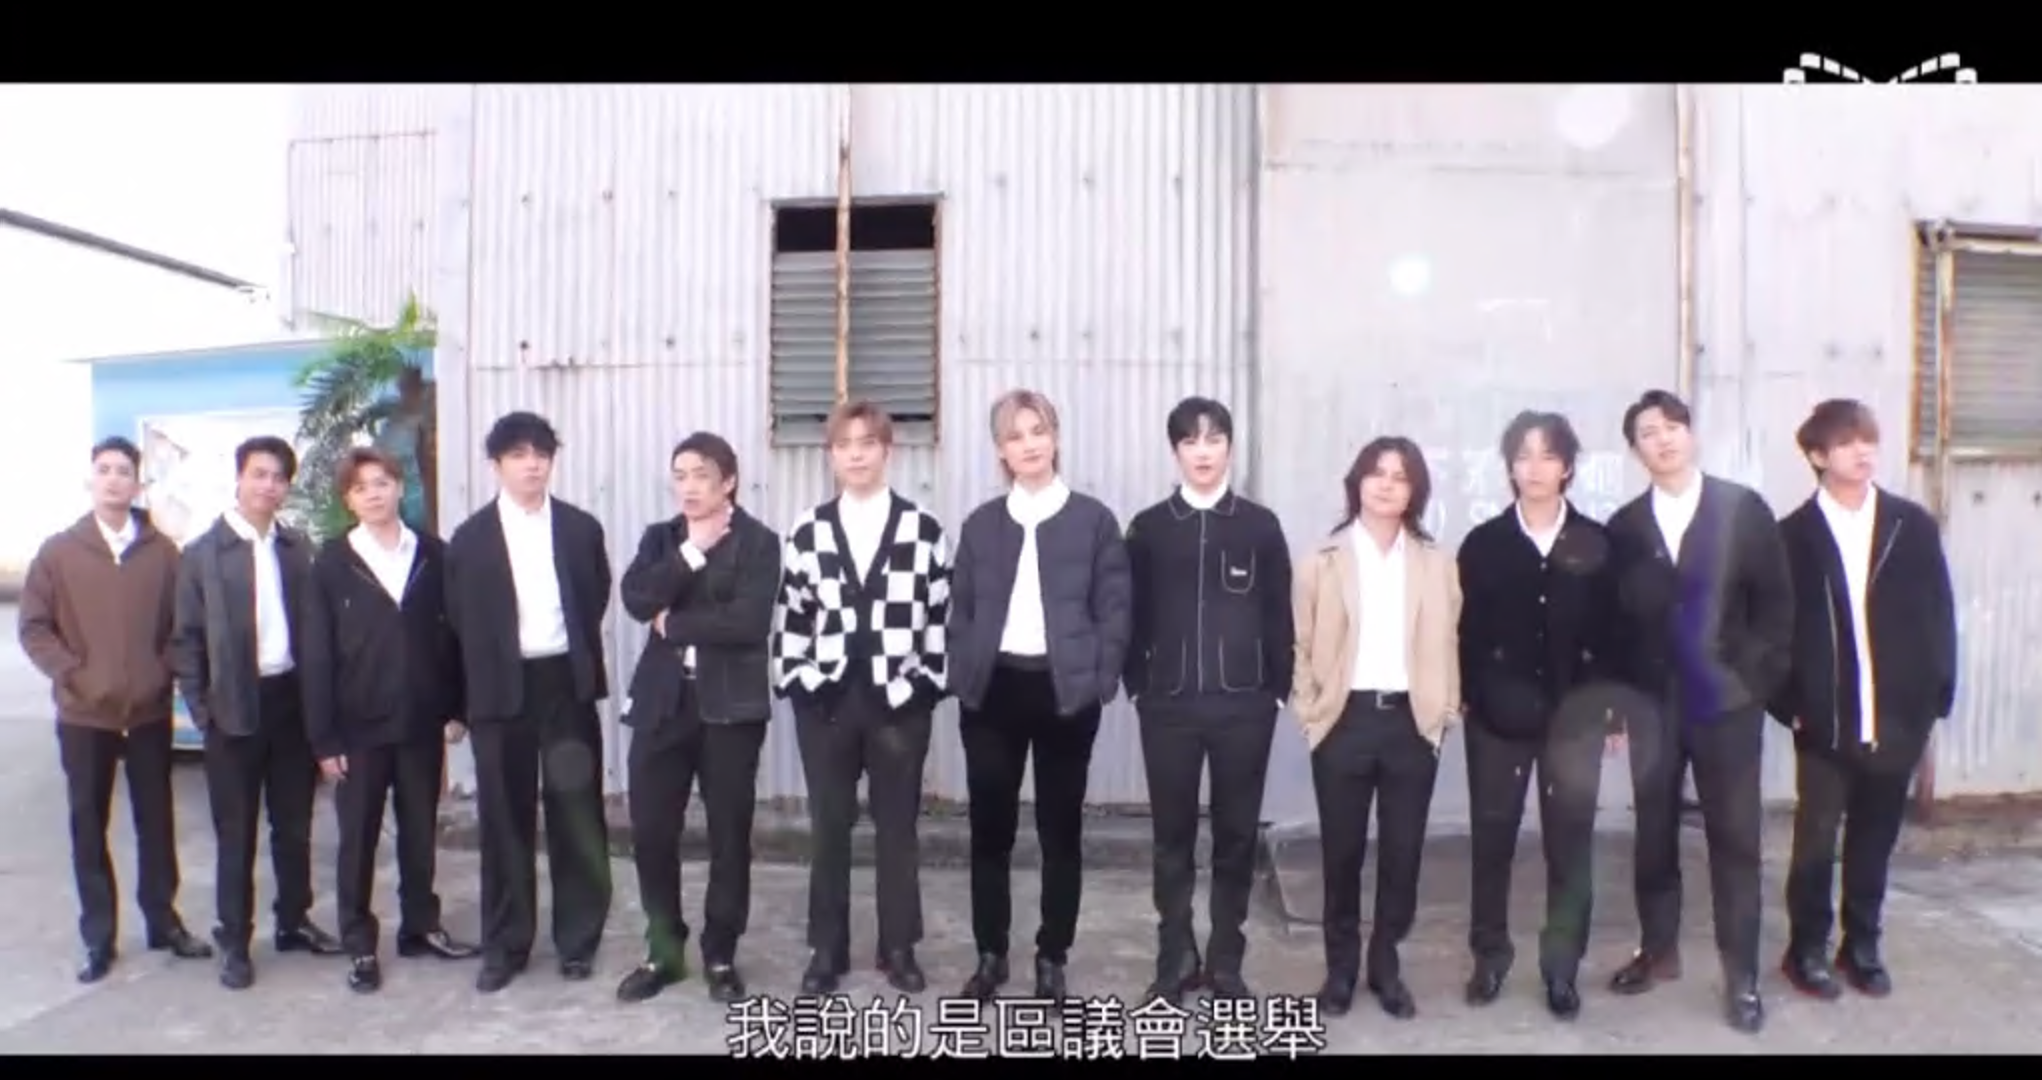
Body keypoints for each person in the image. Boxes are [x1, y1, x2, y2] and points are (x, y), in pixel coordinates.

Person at [1603, 389, 1793, 1034]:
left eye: (1672, 427)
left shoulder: (1742, 509)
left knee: (1735, 840)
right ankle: (1657, 952)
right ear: (1636, 450)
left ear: (1691, 434)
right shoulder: (1626, 527)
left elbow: (1776, 606)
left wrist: (1754, 681)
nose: (1663, 439)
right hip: (1652, 707)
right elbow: (1615, 624)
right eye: (1648, 432)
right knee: (1653, 835)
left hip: (1726, 706)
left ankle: (1742, 976)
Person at [948, 389, 1131, 1002]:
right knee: (990, 832)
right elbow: (961, 610)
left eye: (1038, 430)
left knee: (1060, 832)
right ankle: (990, 953)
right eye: (1015, 435)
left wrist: (1099, 679)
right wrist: (965, 672)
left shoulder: (1093, 521)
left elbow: (1115, 609)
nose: (1028, 444)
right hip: (993, 692)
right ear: (1000, 450)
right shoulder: (982, 525)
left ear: (1055, 438)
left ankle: (1053, 956)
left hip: (1064, 695)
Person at [1771, 399, 1955, 1001]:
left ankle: (1862, 946)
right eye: (1847, 442)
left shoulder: (1910, 525)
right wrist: (1789, 704)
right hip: (1825, 718)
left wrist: (1935, 695)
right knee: (1816, 841)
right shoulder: (1791, 536)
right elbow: (1768, 630)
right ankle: (1805, 951)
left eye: (1868, 440)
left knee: (1875, 838)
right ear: (1818, 455)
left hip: (1897, 715)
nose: (1863, 452)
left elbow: (1938, 612)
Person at [18, 436, 214, 984]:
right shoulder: (59, 552)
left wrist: (160, 672)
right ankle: (99, 936)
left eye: (123, 470)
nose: (113, 479)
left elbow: (181, 626)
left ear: (138, 484)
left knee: (156, 820)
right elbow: (34, 627)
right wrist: (74, 673)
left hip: (148, 711)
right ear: (90, 480)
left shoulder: (162, 553)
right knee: (89, 822)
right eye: (103, 469)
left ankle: (164, 921)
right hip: (84, 715)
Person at [773, 402, 950, 997]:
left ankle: (898, 947)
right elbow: (793, 617)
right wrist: (801, 683)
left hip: (900, 702)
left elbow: (940, 619)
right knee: (829, 827)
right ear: (831, 455)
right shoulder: (809, 530)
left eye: (867, 443)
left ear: (887, 451)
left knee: (897, 829)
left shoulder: (923, 529)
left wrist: (923, 685)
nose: (856, 454)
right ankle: (827, 948)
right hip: (826, 703)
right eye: (844, 444)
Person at [1122, 396, 1292, 1004]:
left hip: (1244, 708)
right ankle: (1174, 958)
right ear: (1175, 451)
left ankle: (1225, 962)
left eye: (1214, 439)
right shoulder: (1149, 527)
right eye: (1190, 440)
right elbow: (1130, 611)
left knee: (1235, 837)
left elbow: (1279, 612)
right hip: (1168, 707)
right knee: (1171, 839)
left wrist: (1276, 691)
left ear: (1229, 447)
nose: (1203, 451)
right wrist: (1137, 685)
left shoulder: (1259, 525)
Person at [1455, 411, 1620, 1020]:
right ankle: (1489, 957)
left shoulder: (1597, 543)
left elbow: (1614, 634)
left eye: (1548, 456)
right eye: (1523, 456)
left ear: (1567, 467)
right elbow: (1466, 631)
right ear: (1509, 467)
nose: (1535, 468)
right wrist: (1472, 694)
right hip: (1497, 723)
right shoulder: (1484, 544)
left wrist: (1611, 713)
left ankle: (1561, 968)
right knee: (1492, 841)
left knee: (1569, 849)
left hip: (1575, 724)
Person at [1292, 435, 1462, 1021]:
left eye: (1400, 476)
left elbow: (1450, 640)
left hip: (1412, 723)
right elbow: (1300, 642)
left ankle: (1385, 965)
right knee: (1340, 853)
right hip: (1344, 720)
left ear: (1415, 491)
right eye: (1377, 473)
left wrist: (1444, 712)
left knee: (1402, 853)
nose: (1387, 484)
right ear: (1357, 482)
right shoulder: (1324, 559)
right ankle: (1340, 969)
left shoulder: (1435, 562)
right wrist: (1311, 712)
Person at [444, 411, 614, 994]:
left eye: (541, 453)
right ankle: (506, 944)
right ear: (496, 464)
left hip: (564, 685)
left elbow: (595, 595)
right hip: (499, 691)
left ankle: (578, 941)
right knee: (504, 820)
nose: (532, 464)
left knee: (576, 813)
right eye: (518, 454)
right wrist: (459, 704)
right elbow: (457, 621)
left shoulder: (580, 529)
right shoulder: (470, 539)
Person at [299, 447, 479, 994]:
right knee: (357, 839)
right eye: (361, 487)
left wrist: (457, 708)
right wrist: (324, 738)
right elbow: (316, 655)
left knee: (419, 831)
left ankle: (420, 927)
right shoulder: (331, 564)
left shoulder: (432, 553)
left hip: (422, 722)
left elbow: (456, 635)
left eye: (382, 482)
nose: (373, 494)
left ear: (400, 487)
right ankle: (359, 943)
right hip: (358, 729)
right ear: (348, 500)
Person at [614, 432, 780, 1005]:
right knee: (651, 832)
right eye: (680, 475)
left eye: (701, 475)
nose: (688, 486)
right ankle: (664, 950)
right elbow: (637, 600)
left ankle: (720, 953)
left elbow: (748, 623)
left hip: (731, 709)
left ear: (728, 481)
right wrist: (691, 553)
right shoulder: (661, 539)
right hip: (662, 704)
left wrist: (674, 625)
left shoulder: (759, 543)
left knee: (729, 834)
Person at [171, 435, 343, 990]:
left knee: (293, 825)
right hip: (233, 710)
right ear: (239, 478)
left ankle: (293, 920)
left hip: (290, 703)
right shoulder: (203, 554)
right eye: (259, 474)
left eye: (278, 477)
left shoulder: (296, 547)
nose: (268, 486)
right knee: (236, 833)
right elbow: (185, 641)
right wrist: (204, 712)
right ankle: (235, 940)